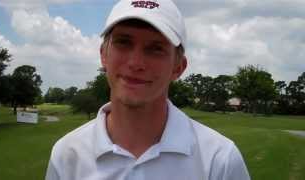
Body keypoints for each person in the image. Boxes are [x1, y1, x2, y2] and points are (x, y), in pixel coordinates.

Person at [45, 0, 250, 179]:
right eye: (123, 43)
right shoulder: (67, 155)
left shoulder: (219, 159)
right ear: (103, 55)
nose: (136, 63)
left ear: (178, 67)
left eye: (156, 49)